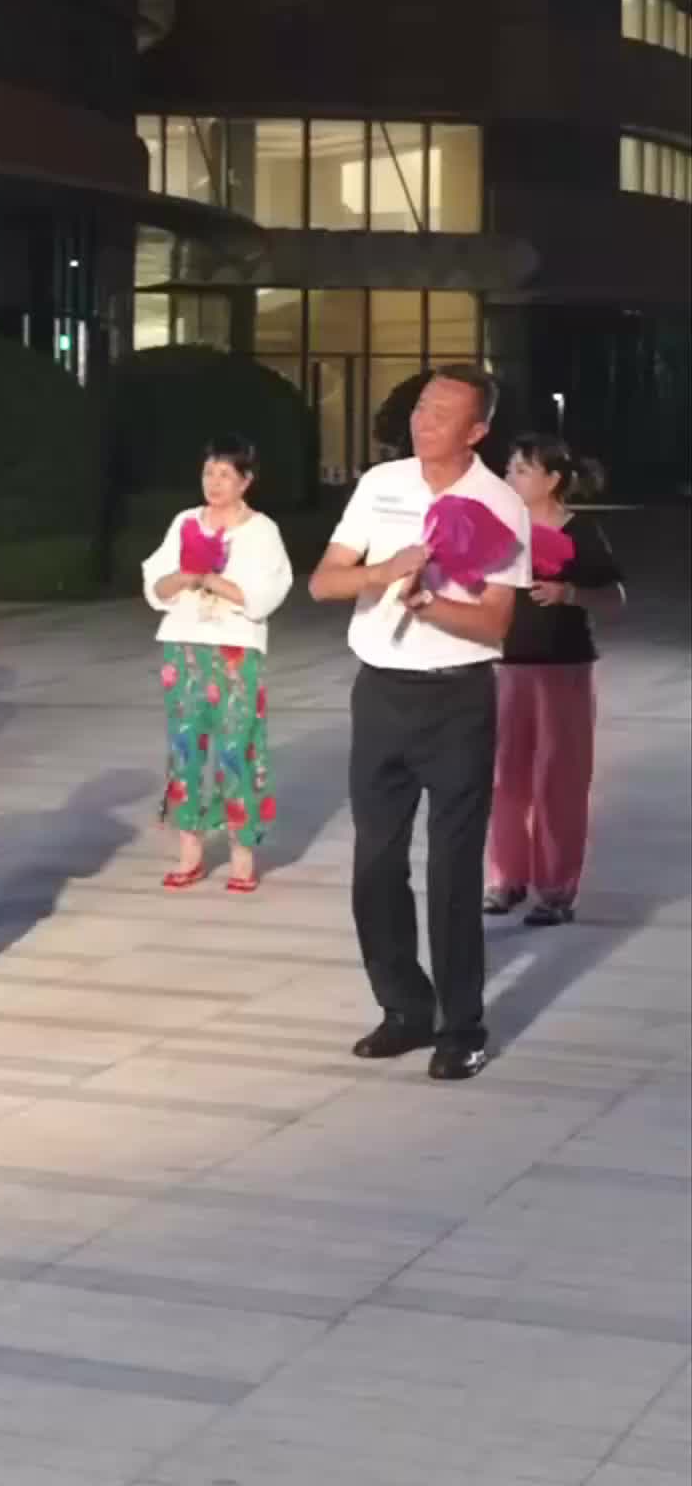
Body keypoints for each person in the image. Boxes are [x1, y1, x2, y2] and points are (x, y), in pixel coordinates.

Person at [309, 361, 529, 1080]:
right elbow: (324, 581)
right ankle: (404, 1007)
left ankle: (462, 1027)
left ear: (477, 430)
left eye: (441, 413)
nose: (423, 421)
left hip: (458, 702)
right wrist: (382, 573)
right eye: (421, 407)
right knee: (376, 863)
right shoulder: (382, 484)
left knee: (454, 870)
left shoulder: (500, 505)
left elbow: (495, 624)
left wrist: (429, 603)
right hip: (379, 695)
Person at [141, 440, 295, 895]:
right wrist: (183, 577)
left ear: (246, 481)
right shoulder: (185, 522)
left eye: (225, 474)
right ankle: (190, 852)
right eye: (209, 472)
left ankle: (242, 856)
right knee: (185, 746)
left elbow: (268, 591)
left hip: (235, 649)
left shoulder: (261, 531)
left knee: (237, 747)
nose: (214, 483)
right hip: (184, 646)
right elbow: (157, 584)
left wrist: (212, 580)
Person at [486, 435, 623, 928]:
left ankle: (556, 889)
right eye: (509, 469)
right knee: (504, 779)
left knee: (558, 780)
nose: (510, 477)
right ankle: (505, 879)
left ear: (552, 480)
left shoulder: (580, 531)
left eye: (521, 470)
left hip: (564, 668)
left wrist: (568, 593)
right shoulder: (500, 528)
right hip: (506, 667)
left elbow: (614, 598)